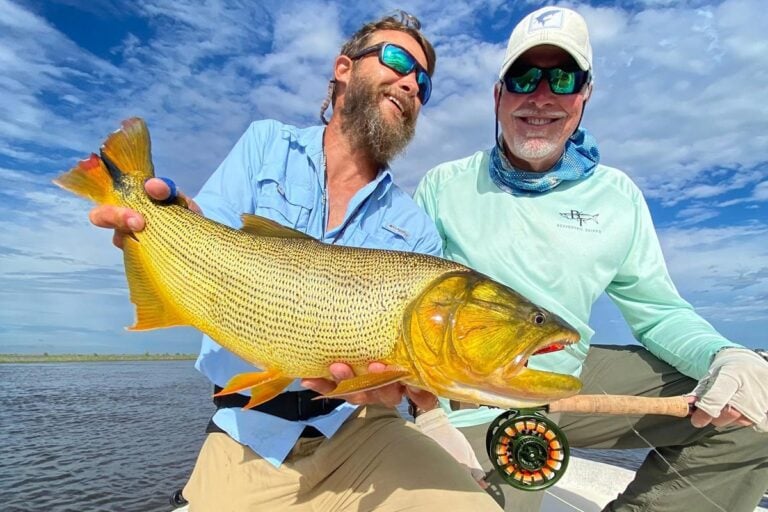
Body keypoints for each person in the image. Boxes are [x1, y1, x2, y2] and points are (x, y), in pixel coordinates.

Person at [88, 11, 498, 512]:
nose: (412, 82)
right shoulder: (264, 144)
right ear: (343, 68)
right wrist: (169, 225)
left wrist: (409, 392)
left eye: (424, 82)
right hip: (247, 432)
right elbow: (208, 230)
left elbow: (415, 381)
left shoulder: (415, 229)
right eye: (397, 59)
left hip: (362, 430)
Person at [412, 6, 768, 512]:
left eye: (562, 77)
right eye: (523, 77)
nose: (541, 95)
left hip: (570, 377)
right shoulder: (443, 186)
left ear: (585, 95)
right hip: (470, 404)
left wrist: (726, 356)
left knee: (752, 409)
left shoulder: (618, 195)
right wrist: (432, 416)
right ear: (498, 95)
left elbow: (659, 312)